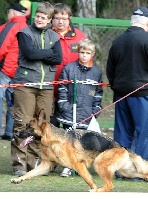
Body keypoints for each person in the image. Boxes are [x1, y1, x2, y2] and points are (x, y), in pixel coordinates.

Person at [106, 6, 148, 165]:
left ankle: (120, 168)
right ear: (147, 22)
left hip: (121, 94)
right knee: (145, 133)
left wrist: (116, 87)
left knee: (122, 133)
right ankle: (141, 168)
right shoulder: (147, 39)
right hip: (143, 94)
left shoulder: (118, 41)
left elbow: (110, 69)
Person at [11, 1, 62, 177]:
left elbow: (58, 59)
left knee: (41, 126)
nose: (40, 19)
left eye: (44, 17)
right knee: (23, 123)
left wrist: (41, 53)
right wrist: (48, 52)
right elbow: (29, 54)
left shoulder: (54, 36)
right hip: (26, 84)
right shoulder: (25, 33)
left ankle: (35, 164)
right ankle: (19, 163)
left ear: (49, 20)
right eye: (38, 16)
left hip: (46, 86)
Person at [56, 38, 103, 176]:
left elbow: (96, 92)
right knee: (69, 141)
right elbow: (62, 88)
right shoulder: (69, 69)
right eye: (82, 52)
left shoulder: (96, 73)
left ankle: (79, 166)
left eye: (87, 53)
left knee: (82, 142)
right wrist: (64, 105)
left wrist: (95, 109)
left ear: (92, 54)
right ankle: (67, 165)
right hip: (70, 112)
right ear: (78, 52)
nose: (84, 55)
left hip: (87, 113)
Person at [50, 2, 86, 177]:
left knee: (71, 130)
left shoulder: (79, 36)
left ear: (69, 19)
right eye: (57, 18)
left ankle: (70, 161)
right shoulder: (47, 35)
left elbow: (87, 58)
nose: (61, 22)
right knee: (51, 128)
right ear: (52, 19)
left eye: (64, 18)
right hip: (49, 89)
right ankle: (50, 162)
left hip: (73, 92)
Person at [0, 3, 28, 141]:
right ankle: (10, 132)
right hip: (20, 72)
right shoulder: (28, 27)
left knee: (0, 100)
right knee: (13, 103)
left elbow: (2, 47)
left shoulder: (10, 26)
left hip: (5, 70)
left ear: (12, 12)